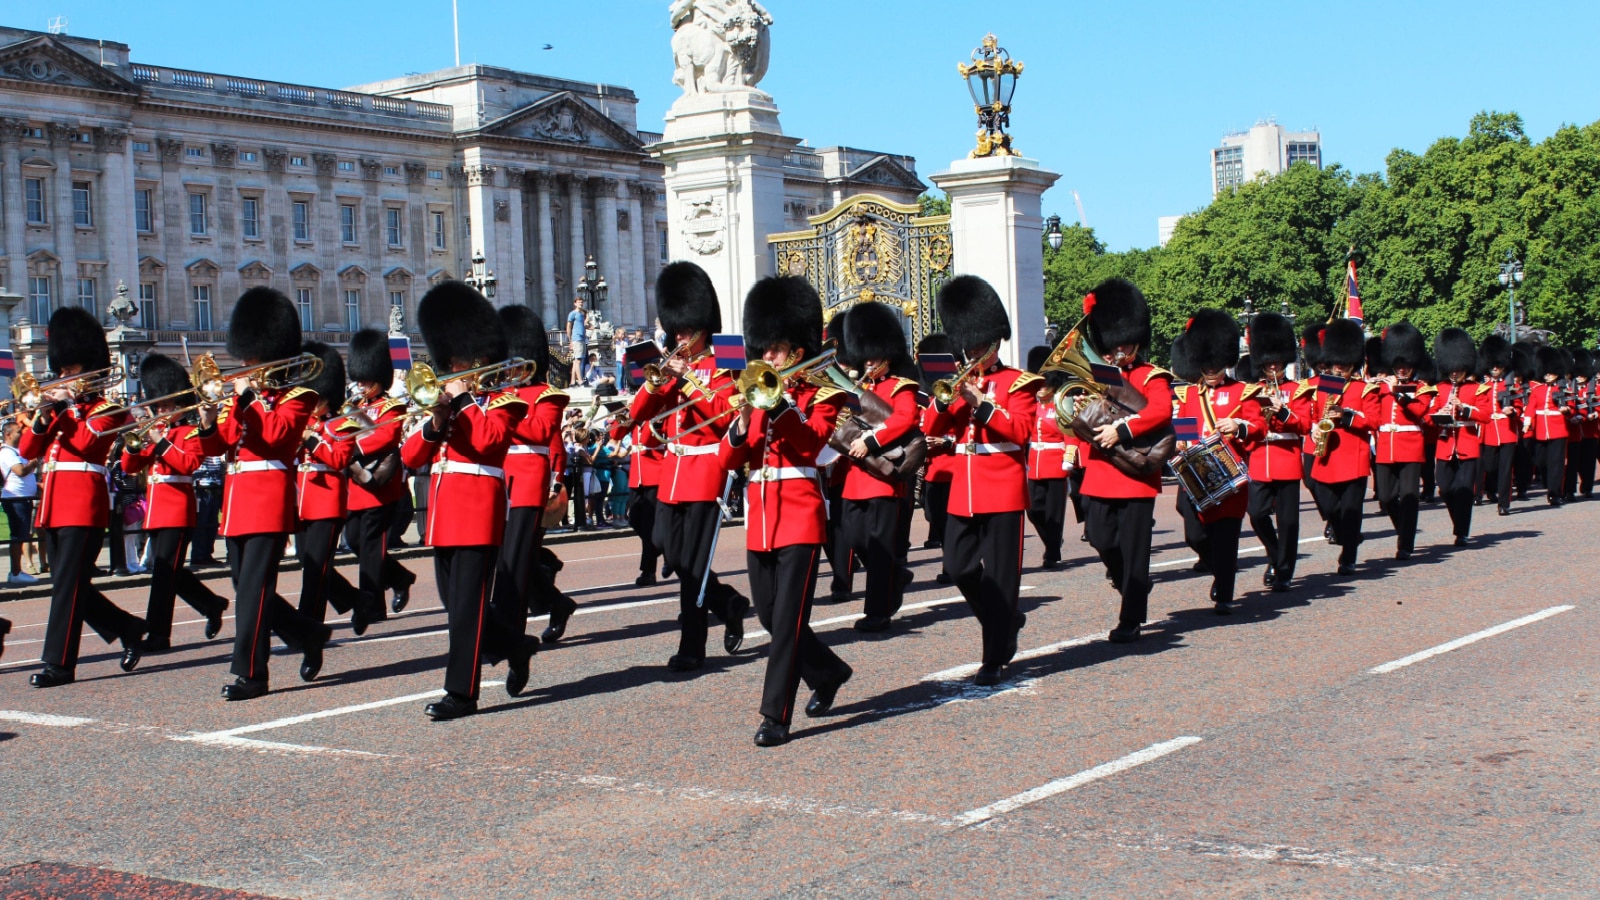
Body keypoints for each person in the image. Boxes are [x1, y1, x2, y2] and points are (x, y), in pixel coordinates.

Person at [722, 275, 853, 747]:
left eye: (775, 350)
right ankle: (829, 671)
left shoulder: (822, 393)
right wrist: (740, 423)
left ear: (797, 350)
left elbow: (812, 440)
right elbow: (728, 458)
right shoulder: (756, 396)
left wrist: (777, 407)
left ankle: (775, 716)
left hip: (799, 514)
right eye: (765, 349)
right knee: (767, 615)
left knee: (787, 624)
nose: (767, 358)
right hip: (760, 516)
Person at [403, 281, 535, 720]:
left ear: (476, 359)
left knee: (464, 611)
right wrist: (436, 419)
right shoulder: (450, 404)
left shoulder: (505, 400)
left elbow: (488, 442)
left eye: (457, 360)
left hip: (478, 510)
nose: (450, 367)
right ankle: (517, 645)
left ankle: (461, 693)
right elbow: (410, 457)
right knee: (457, 605)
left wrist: (462, 399)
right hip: (443, 514)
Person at [197, 287, 334, 701]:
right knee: (248, 590)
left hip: (268, 501)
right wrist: (207, 419)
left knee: (253, 592)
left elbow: (276, 436)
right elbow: (215, 445)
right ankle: (308, 634)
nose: (245, 366)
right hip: (237, 503)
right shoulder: (242, 400)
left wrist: (249, 398)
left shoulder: (299, 396)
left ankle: (251, 673)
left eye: (252, 358)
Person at [627, 261, 750, 671]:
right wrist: (655, 382)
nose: (679, 337)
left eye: (685, 330)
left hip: (705, 471)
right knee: (671, 554)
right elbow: (638, 415)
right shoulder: (671, 368)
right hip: (672, 475)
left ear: (702, 327)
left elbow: (722, 413)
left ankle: (692, 645)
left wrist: (691, 380)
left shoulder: (725, 364)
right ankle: (729, 602)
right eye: (675, 330)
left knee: (692, 565)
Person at [23, 306, 147, 687]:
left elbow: (84, 443)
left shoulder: (109, 409)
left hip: (83, 504)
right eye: (62, 371)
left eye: (72, 372)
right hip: (53, 506)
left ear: (91, 371)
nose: (64, 378)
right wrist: (43, 415)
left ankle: (59, 664)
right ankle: (128, 628)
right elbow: (29, 449)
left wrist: (65, 407)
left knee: (67, 585)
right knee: (69, 583)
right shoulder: (60, 410)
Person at [926, 275, 1039, 682]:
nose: (971, 352)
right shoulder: (957, 383)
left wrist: (983, 404)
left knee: (1001, 577)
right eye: (967, 345)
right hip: (965, 488)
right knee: (958, 568)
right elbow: (929, 426)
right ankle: (1004, 620)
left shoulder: (1019, 383)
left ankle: (995, 653)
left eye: (977, 344)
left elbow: (1021, 431)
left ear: (994, 341)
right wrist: (946, 401)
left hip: (1003, 487)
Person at [1074, 279, 1172, 644]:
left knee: (1134, 550)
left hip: (1135, 474)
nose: (1120, 348)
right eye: (1114, 341)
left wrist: (1123, 430)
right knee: (1100, 537)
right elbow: (1079, 416)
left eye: (1126, 341)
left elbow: (1161, 410)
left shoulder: (1151, 376)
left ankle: (1130, 617)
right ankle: (1132, 584)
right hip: (1101, 471)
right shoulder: (1096, 376)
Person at [119, 353, 229, 652]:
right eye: (159, 405)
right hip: (157, 510)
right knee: (169, 571)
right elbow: (129, 466)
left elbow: (189, 464)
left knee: (165, 574)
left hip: (178, 511)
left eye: (167, 405)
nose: (162, 410)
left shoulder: (189, 432)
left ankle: (158, 634)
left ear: (180, 406)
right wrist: (137, 440)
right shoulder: (158, 432)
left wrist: (160, 441)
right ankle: (210, 603)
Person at [1171, 312, 1266, 613]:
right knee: (1195, 534)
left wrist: (1238, 426)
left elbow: (1258, 428)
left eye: (1215, 363)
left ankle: (1225, 591)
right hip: (1194, 474)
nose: (1211, 369)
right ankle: (1218, 567)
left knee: (1227, 538)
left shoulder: (1242, 392)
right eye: (1206, 363)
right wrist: (1181, 440)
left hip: (1228, 474)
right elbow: (1185, 424)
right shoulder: (1189, 393)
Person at [835, 300, 920, 632]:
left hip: (884, 478)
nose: (869, 361)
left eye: (874, 355)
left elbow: (904, 419)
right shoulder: (858, 389)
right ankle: (895, 576)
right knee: (855, 538)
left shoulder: (902, 386)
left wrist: (870, 441)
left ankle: (878, 611)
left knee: (881, 547)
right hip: (855, 477)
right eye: (865, 355)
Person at [490, 304, 569, 658]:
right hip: (493, 484)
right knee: (501, 562)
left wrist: (556, 479)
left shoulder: (545, 394)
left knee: (516, 565)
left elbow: (542, 434)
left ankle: (510, 635)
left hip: (526, 487)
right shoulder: (493, 394)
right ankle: (554, 603)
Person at [290, 342, 365, 629]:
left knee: (315, 568)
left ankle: (308, 625)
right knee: (307, 561)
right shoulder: (304, 420)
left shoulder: (343, 424)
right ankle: (358, 601)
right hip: (302, 501)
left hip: (327, 502)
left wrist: (311, 439)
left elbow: (337, 459)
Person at [344, 329, 417, 620]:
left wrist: (352, 447)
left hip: (379, 485)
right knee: (354, 541)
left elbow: (385, 438)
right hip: (356, 484)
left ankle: (372, 606)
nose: (361, 384)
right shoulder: (355, 406)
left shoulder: (392, 405)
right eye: (359, 379)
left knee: (371, 547)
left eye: (365, 379)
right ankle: (399, 578)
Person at [1239, 312, 1310, 592]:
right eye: (1267, 362)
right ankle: (1275, 553)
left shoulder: (1298, 390)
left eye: (1277, 362)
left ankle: (1284, 571)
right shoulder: (1251, 391)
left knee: (1289, 522)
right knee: (1256, 514)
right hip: (1259, 459)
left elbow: (1305, 425)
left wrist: (1284, 411)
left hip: (1287, 460)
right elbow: (1248, 421)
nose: (1272, 367)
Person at [1307, 319, 1382, 576]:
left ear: (1354, 364)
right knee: (1328, 505)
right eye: (1337, 363)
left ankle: (1348, 557)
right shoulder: (1325, 384)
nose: (1340, 368)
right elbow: (1314, 413)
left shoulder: (1365, 389)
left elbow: (1373, 420)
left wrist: (1347, 416)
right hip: (1326, 456)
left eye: (1345, 364)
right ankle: (1346, 535)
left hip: (1352, 456)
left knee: (1351, 511)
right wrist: (1314, 428)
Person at [1370, 323, 1435, 561]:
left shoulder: (1422, 388)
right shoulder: (1380, 387)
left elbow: (1419, 410)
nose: (1402, 369)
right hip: (1387, 444)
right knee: (1386, 497)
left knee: (1409, 497)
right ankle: (1404, 531)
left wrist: (1397, 392)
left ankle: (1405, 543)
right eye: (1398, 365)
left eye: (1406, 365)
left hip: (1411, 444)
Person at [1431, 328, 1491, 546]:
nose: (1454, 373)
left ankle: (1462, 532)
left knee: (1465, 489)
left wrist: (1464, 408)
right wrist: (1441, 414)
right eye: (1451, 369)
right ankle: (1460, 523)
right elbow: (1430, 417)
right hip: (1446, 444)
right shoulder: (1439, 388)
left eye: (1458, 369)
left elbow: (1485, 416)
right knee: (1445, 487)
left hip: (1467, 442)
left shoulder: (1478, 389)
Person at [615, 366, 667, 586]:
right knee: (635, 519)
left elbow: (650, 439)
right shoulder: (635, 414)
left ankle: (648, 572)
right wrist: (625, 417)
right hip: (638, 474)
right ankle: (666, 549)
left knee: (648, 525)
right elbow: (615, 434)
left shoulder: (659, 410)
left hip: (656, 471)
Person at [1024, 345, 1070, 569]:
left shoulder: (1060, 405)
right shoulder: (1031, 406)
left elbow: (1070, 433)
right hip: (1034, 462)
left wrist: (1069, 456)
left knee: (1054, 513)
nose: (1041, 389)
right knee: (1033, 509)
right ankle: (1052, 541)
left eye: (1045, 383)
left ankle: (1052, 552)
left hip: (1056, 462)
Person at [1476, 335, 1519, 516]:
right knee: (1489, 466)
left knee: (1505, 468)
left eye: (1498, 366)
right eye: (1493, 366)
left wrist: (1513, 411)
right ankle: (1489, 490)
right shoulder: (1482, 385)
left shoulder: (1510, 384)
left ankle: (1504, 503)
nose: (1495, 369)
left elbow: (1519, 404)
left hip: (1507, 430)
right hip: (1488, 430)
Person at [2, 419, 40, 583]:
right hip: (15, 499)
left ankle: (17, 571)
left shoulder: (17, 451)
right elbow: (20, 471)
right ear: (8, 434)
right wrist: (35, 461)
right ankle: (15, 573)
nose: (22, 433)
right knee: (18, 536)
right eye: (18, 431)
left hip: (23, 498)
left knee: (23, 535)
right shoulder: (6, 452)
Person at [565, 296, 588, 385]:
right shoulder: (572, 314)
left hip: (582, 338)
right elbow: (569, 327)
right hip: (576, 338)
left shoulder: (582, 314)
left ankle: (572, 381)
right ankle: (580, 381)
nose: (580, 303)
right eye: (579, 302)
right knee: (578, 361)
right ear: (575, 303)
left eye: (581, 302)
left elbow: (583, 326)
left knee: (576, 361)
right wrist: (570, 340)